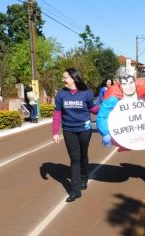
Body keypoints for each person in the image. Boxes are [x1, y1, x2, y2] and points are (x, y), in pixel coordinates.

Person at [52, 68, 98, 202]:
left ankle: (84, 178)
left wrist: (105, 108)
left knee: (83, 155)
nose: (63, 80)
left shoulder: (86, 93)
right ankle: (75, 190)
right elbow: (57, 114)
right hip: (68, 130)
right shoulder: (61, 94)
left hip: (84, 129)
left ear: (73, 78)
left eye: (65, 77)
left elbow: (93, 109)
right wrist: (55, 132)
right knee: (74, 158)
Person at [96, 74, 145, 149]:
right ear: (121, 86)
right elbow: (103, 115)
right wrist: (105, 132)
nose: (128, 86)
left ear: (135, 83)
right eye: (125, 84)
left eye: (131, 82)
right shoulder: (113, 95)